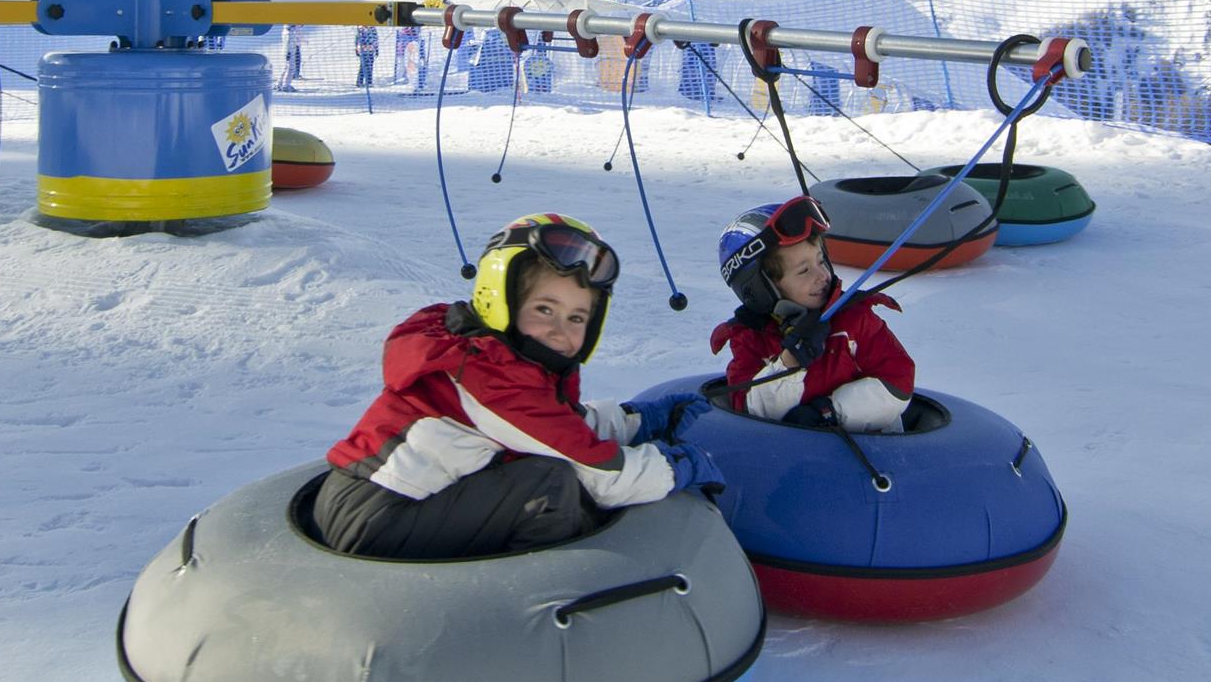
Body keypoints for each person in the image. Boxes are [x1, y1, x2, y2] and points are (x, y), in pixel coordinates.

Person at [313, 215, 719, 559]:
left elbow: (560, 427)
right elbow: (605, 476)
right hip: (378, 519)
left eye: (577, 318)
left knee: (545, 469)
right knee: (549, 485)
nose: (560, 331)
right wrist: (679, 466)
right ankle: (536, 596)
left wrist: (638, 420)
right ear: (498, 299)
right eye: (544, 309)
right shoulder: (490, 382)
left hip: (381, 502)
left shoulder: (494, 361)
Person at [710, 196, 913, 433]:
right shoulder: (750, 339)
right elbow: (748, 411)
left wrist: (830, 412)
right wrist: (789, 363)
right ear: (761, 289)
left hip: (868, 448)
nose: (822, 276)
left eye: (821, 261)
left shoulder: (854, 319)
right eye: (804, 270)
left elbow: (898, 380)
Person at [279, 24, 303, 91]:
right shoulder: (290, 32)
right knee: (291, 68)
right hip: (289, 52)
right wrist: (288, 53)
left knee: (285, 68)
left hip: (289, 52)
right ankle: (286, 85)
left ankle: (279, 84)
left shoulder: (287, 30)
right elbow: (288, 42)